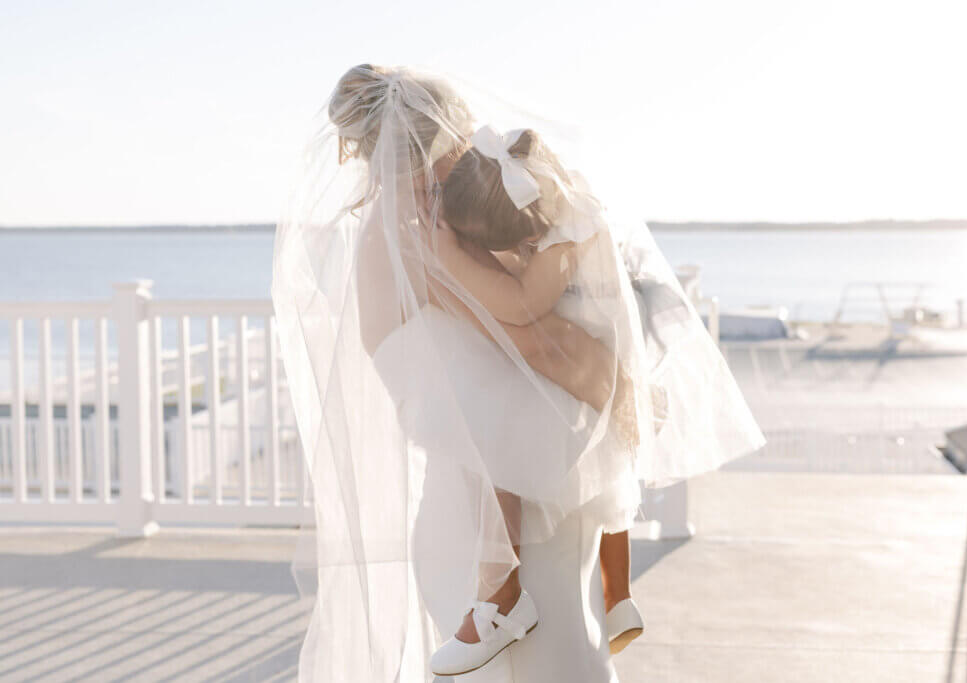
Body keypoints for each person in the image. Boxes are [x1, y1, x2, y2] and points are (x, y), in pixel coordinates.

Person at [271, 64, 765, 682]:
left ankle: (596, 598)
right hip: (506, 516)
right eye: (459, 147)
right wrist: (614, 379)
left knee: (561, 659)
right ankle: (569, 598)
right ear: (424, 158)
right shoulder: (423, 236)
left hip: (524, 499)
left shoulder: (422, 228)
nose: (475, 157)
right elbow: (537, 340)